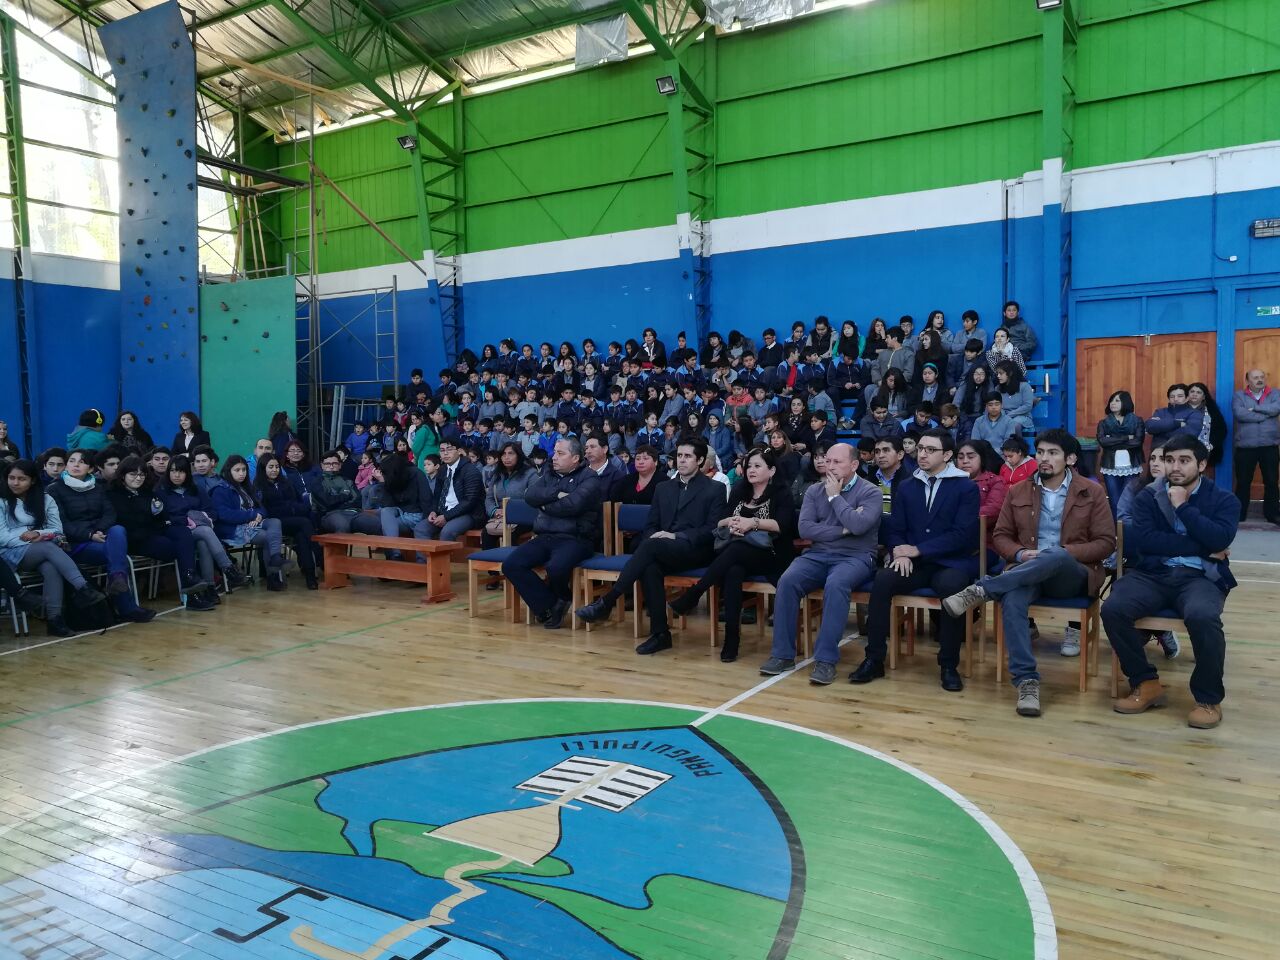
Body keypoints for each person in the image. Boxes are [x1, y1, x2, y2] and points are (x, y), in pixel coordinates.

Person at [943, 430, 1115, 715]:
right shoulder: (1018, 490)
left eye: (1053, 453)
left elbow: (1106, 542)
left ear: (1071, 459)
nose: (1044, 458)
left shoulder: (1091, 491)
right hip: (1025, 571)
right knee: (1013, 599)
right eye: (1041, 452)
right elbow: (1001, 536)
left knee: (1056, 555)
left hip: (1072, 575)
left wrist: (1066, 552)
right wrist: (1021, 554)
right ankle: (1026, 682)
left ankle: (984, 589)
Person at [1102, 435, 1239, 730]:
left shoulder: (1223, 500)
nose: (1174, 467)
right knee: (1113, 608)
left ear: (1201, 464)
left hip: (1199, 577)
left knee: (1203, 615)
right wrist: (1202, 547)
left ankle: (1208, 698)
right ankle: (1145, 682)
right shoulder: (1147, 497)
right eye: (1169, 460)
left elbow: (1220, 538)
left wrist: (1183, 507)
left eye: (1184, 460)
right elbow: (1145, 542)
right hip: (1153, 573)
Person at [854, 429, 979, 692]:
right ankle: (874, 659)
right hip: (914, 562)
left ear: (947, 455)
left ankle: (948, 665)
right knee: (883, 580)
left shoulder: (965, 487)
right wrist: (899, 550)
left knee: (952, 588)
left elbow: (962, 536)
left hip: (949, 561)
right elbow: (895, 528)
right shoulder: (908, 485)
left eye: (930, 450)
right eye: (921, 448)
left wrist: (917, 550)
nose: (922, 454)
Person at [576, 438, 727, 654]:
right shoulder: (663, 488)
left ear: (701, 460)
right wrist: (656, 537)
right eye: (679, 456)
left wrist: (675, 536)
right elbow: (651, 525)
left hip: (696, 548)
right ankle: (660, 634)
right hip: (663, 548)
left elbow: (712, 529)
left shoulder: (715, 489)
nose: (682, 460)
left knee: (650, 548)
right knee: (649, 566)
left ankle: (608, 601)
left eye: (688, 456)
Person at [758, 442, 880, 684]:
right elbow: (805, 529)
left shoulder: (870, 492)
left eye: (837, 462)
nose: (829, 465)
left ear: (854, 465)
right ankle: (782, 655)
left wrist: (835, 497)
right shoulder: (814, 491)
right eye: (827, 460)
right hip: (818, 554)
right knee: (787, 580)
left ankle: (826, 660)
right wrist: (843, 530)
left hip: (856, 556)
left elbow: (858, 526)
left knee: (836, 584)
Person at [503, 437, 606, 629]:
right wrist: (556, 495)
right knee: (511, 564)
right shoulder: (548, 474)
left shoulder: (590, 477)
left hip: (576, 538)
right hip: (545, 535)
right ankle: (551, 604)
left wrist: (544, 505)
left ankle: (559, 600)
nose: (554, 457)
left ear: (575, 458)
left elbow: (573, 505)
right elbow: (529, 495)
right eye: (554, 453)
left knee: (556, 567)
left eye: (560, 453)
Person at [47, 448, 157, 622]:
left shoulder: (97, 488)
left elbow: (109, 513)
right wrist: (89, 535)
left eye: (82, 462)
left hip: (100, 537)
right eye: (72, 461)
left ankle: (117, 580)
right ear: (66, 465)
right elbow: (61, 523)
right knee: (117, 555)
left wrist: (99, 530)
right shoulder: (55, 489)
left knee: (118, 529)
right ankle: (127, 607)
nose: (76, 465)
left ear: (91, 468)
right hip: (75, 543)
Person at [0, 459, 105, 636]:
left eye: (22, 479)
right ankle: (83, 588)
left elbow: (57, 529)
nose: (15, 483)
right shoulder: (2, 500)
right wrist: (29, 539)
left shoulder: (46, 499)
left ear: (33, 480)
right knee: (48, 548)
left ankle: (54, 620)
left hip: (40, 548)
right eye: (11, 478)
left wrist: (38, 534)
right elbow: (2, 537)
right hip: (8, 553)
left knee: (51, 567)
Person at [107, 455, 214, 608]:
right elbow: (128, 521)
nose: (138, 478)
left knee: (183, 532)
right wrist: (154, 519)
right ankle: (192, 591)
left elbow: (161, 516)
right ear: (122, 475)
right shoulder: (113, 494)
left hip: (154, 531)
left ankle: (189, 577)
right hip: (135, 539)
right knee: (180, 548)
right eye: (133, 474)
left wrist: (165, 519)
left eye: (142, 474)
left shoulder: (147, 492)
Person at [160, 455, 245, 597]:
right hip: (177, 532)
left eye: (181, 471)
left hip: (199, 529)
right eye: (173, 471)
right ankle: (228, 568)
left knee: (203, 542)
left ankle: (209, 588)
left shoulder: (197, 490)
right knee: (205, 532)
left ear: (188, 473)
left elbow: (212, 513)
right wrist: (186, 519)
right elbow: (163, 518)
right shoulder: (162, 492)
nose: (177, 475)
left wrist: (197, 517)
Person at [211, 454, 289, 591]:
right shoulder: (221, 489)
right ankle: (273, 577)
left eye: (244, 470)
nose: (241, 473)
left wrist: (258, 515)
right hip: (233, 529)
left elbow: (262, 508)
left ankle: (275, 558)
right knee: (268, 537)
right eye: (237, 470)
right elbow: (224, 515)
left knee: (275, 522)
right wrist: (251, 515)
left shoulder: (247, 486)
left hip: (253, 523)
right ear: (229, 471)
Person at [254, 454, 319, 589]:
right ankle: (319, 555)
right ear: (263, 468)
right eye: (271, 467)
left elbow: (299, 503)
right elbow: (268, 511)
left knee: (301, 536)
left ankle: (310, 576)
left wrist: (292, 508)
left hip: (292, 521)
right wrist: (291, 508)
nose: (274, 470)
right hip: (273, 524)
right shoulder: (258, 486)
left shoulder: (286, 482)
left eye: (277, 467)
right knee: (305, 523)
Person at [1232, 369, 1280, 524]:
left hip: (1269, 446)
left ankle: (1272, 514)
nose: (1260, 380)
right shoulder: (1239, 395)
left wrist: (1255, 409)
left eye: (1261, 377)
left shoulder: (1275, 393)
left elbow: (1276, 409)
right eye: (1255, 377)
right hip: (1246, 447)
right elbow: (1240, 414)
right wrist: (1266, 415)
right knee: (1243, 482)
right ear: (1248, 381)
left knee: (1272, 481)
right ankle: (1240, 514)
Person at [1095, 390, 1145, 515]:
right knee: (1114, 502)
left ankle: (1127, 527)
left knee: (1128, 501)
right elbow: (1103, 442)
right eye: (1111, 400)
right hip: (1110, 466)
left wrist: (1112, 440)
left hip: (1131, 466)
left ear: (1125, 402)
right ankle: (1116, 527)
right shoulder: (1103, 423)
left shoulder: (1137, 421)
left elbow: (1137, 442)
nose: (1113, 403)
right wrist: (1127, 437)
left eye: (1117, 400)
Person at [955, 438, 1007, 522]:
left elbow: (993, 510)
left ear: (982, 459)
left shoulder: (995, 481)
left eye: (971, 457)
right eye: (960, 457)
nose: (965, 461)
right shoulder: (950, 481)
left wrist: (958, 516)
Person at [313, 450, 362, 533]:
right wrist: (346, 495)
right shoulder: (317, 482)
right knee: (342, 525)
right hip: (329, 515)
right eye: (327, 464)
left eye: (335, 463)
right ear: (322, 465)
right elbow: (328, 501)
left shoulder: (348, 481)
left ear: (340, 465)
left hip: (353, 512)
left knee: (375, 523)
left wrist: (338, 502)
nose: (331, 466)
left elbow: (358, 500)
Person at [1186, 382, 1226, 463]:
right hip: (1182, 449)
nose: (1194, 394)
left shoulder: (1212, 411)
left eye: (1198, 392)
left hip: (1206, 451)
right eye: (1192, 391)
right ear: (1187, 394)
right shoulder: (1179, 409)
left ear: (1204, 397)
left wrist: (1210, 445)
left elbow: (1221, 430)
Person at [994, 360, 1034, 434]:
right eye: (997, 373)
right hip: (1004, 417)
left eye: (1001, 373)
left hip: (1022, 416)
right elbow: (997, 405)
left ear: (1010, 373)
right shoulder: (997, 388)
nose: (998, 376)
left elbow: (1027, 406)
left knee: (1013, 424)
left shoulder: (1024, 386)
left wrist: (1009, 415)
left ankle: (1017, 441)